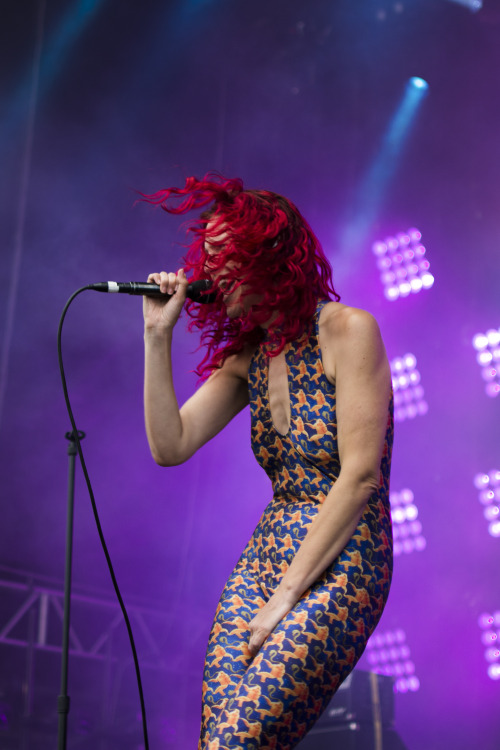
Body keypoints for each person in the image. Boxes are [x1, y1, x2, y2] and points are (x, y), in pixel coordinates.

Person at [141, 173, 394, 750]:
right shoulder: (248, 358)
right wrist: (158, 336)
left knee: (239, 743)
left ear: (267, 257)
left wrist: (285, 597)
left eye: (224, 256)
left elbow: (358, 477)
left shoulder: (349, 331)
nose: (211, 273)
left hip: (341, 557)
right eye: (207, 257)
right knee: (217, 741)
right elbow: (168, 446)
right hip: (264, 557)